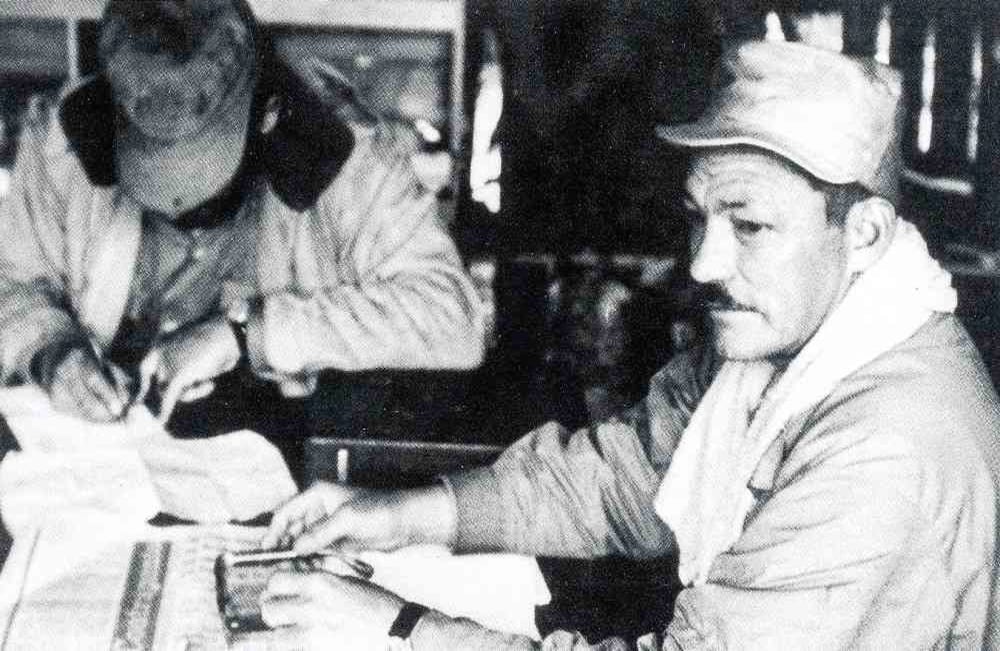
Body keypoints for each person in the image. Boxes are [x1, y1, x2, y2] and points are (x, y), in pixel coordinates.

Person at [261, 42, 1000, 649]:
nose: (705, 263)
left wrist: (398, 624)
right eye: (698, 219)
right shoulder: (790, 336)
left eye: (749, 226)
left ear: (865, 233)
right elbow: (623, 479)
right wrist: (398, 514)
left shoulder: (886, 445)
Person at [0, 0, 484, 425]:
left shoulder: (341, 153)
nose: (180, 206)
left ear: (265, 113)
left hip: (288, 459)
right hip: (111, 463)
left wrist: (248, 332)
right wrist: (51, 351)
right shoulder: (67, 140)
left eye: (205, 170)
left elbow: (452, 318)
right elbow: (11, 280)